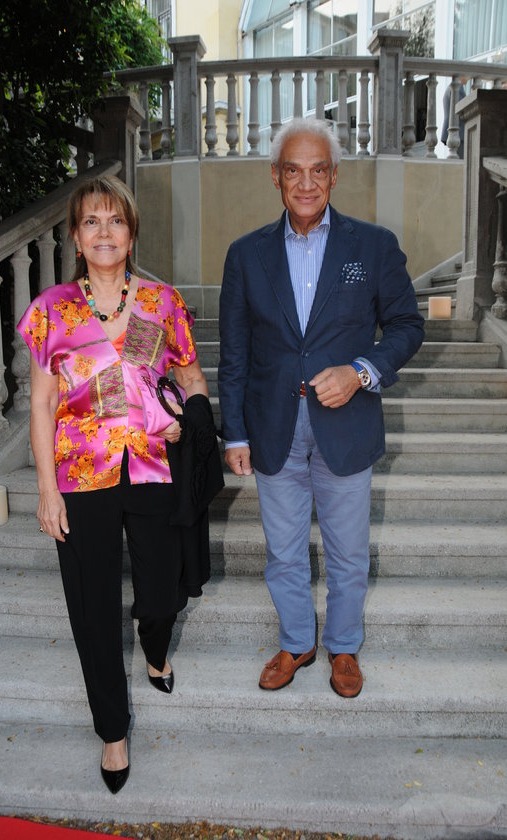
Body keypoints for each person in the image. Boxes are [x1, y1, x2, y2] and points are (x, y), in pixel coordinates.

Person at [18, 174, 215, 794]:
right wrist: (46, 490)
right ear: (77, 238)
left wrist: (192, 418)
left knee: (160, 597)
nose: (105, 232)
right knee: (92, 607)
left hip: (154, 466)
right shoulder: (52, 310)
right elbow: (42, 404)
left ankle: (155, 648)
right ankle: (112, 731)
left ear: (131, 233)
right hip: (80, 475)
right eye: (92, 222)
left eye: (116, 221)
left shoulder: (162, 302)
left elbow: (192, 378)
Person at [218, 118, 424, 698]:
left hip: (346, 426)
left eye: (317, 170)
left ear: (334, 176)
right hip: (273, 426)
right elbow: (234, 352)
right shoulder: (246, 255)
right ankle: (296, 641)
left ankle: (344, 646)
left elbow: (407, 326)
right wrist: (235, 433)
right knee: (283, 551)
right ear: (276, 177)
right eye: (293, 171)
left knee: (348, 552)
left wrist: (360, 372)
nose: (305, 183)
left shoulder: (373, 246)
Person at [441, 78, 467, 158]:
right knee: (461, 161)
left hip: (455, 133)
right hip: (459, 133)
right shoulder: (458, 88)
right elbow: (461, 110)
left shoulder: (450, 87)